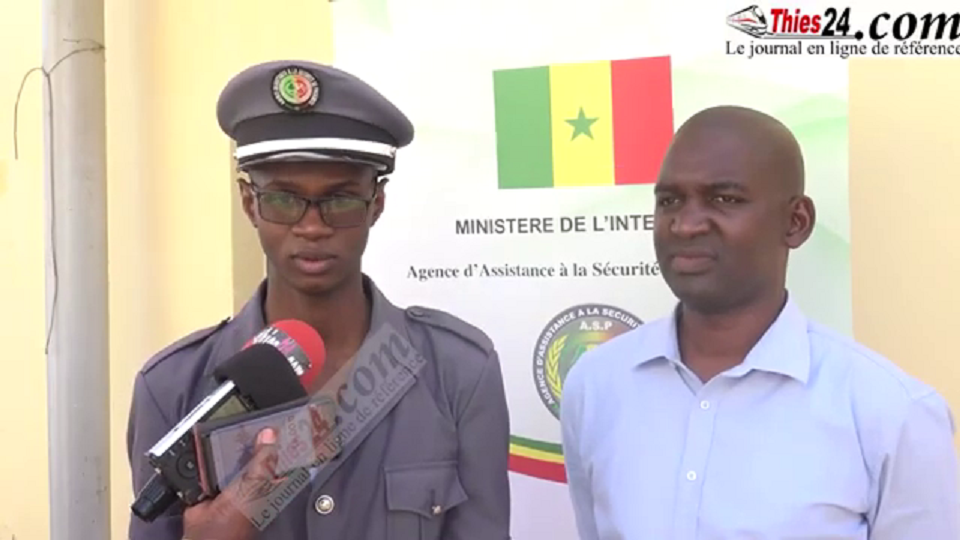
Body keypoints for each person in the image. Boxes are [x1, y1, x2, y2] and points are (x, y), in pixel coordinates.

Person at [126, 60, 512, 540]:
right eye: (283, 200)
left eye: (341, 200)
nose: (311, 227)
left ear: (376, 204)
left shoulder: (458, 372)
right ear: (249, 203)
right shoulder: (173, 388)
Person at [560, 105, 959, 539]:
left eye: (725, 199)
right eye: (669, 200)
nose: (686, 224)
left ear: (796, 222)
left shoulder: (892, 413)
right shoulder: (596, 385)